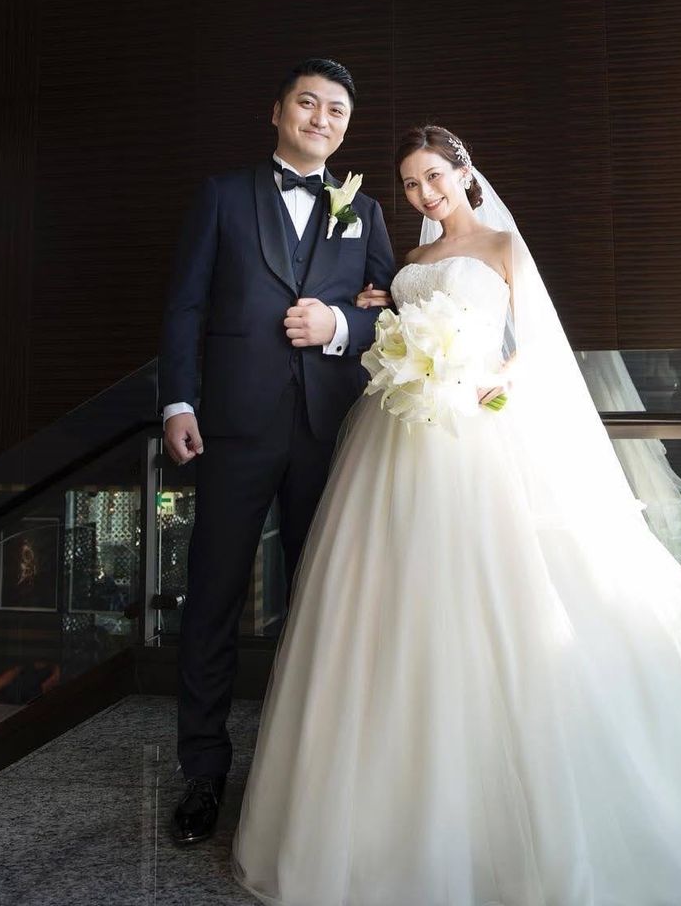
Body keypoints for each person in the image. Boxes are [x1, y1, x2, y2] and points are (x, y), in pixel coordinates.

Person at [231, 124, 681, 905]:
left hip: (479, 433)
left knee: (501, 598)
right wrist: (387, 330)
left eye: (433, 176)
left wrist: (491, 381)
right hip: (397, 435)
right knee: (390, 605)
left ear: (463, 172)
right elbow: (386, 328)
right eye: (410, 184)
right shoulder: (405, 266)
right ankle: (384, 816)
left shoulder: (504, 248)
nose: (423, 194)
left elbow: (535, 348)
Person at [158, 58, 396, 845]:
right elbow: (186, 304)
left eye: (336, 111)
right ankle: (203, 773)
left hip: (332, 433)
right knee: (214, 596)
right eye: (308, 103)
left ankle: (315, 775)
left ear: (346, 128)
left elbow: (392, 310)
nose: (321, 118)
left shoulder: (364, 209)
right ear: (278, 111)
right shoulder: (222, 196)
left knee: (326, 600)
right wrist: (179, 400)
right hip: (232, 427)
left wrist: (340, 325)